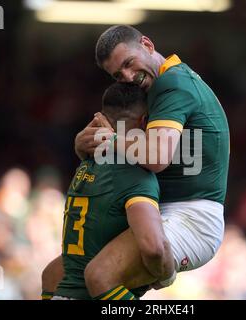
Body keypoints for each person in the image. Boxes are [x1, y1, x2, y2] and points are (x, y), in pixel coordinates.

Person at [44, 24, 230, 299]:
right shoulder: (162, 84)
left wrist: (108, 140)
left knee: (101, 275)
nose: (128, 77)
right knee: (57, 275)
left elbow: (156, 157)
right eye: (118, 75)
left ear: (147, 44)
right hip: (160, 211)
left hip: (192, 217)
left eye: (129, 63)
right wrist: (86, 142)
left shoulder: (172, 82)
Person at [43, 83, 174, 300]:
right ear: (145, 121)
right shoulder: (134, 174)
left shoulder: (87, 163)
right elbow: (154, 247)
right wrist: (167, 274)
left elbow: (50, 274)